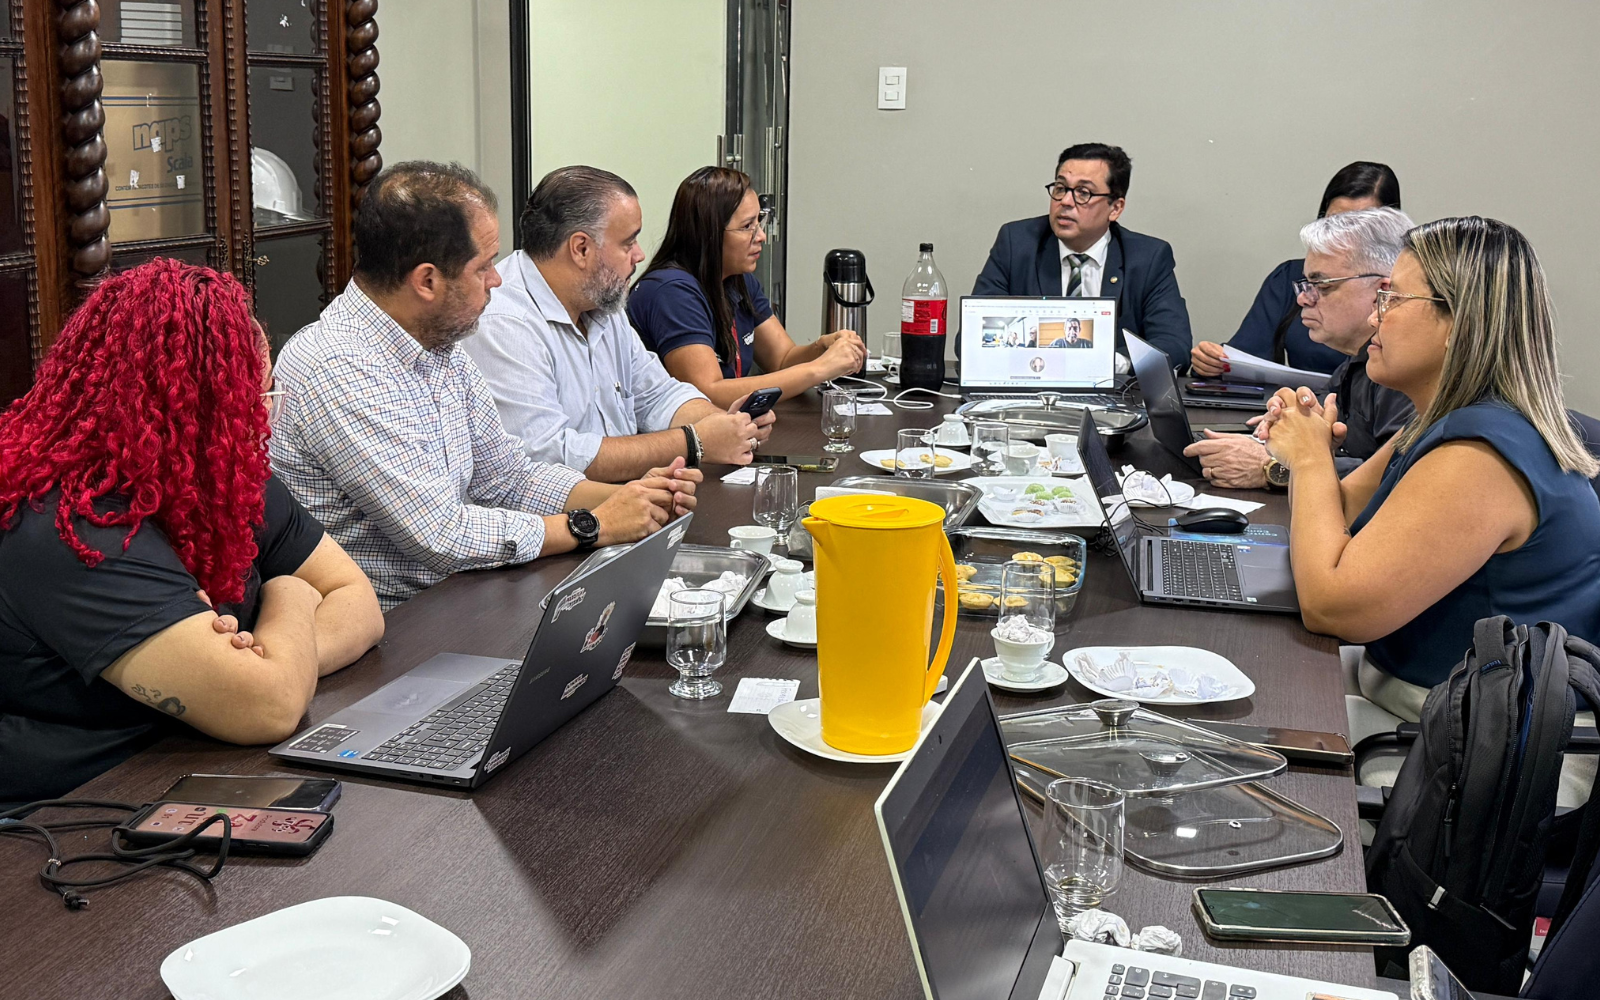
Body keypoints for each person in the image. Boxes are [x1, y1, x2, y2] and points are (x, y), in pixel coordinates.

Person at [0, 260, 385, 806]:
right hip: (64, 817)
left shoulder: (223, 477)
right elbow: (268, 707)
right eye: (253, 401)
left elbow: (357, 599)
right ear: (195, 411)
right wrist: (292, 595)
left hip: (192, 771)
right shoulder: (72, 526)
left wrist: (272, 661)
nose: (263, 420)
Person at [270, 162, 698, 610]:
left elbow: (507, 479)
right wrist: (594, 524)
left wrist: (633, 499)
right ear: (427, 281)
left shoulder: (437, 344)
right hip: (395, 625)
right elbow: (440, 535)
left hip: (462, 596)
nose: (498, 279)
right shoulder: (339, 366)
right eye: (484, 266)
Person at [1260, 217, 1600, 731]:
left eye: (1392, 299)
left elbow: (1333, 609)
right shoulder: (1443, 419)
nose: (1374, 317)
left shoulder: (1480, 455)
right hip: (1421, 701)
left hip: (1470, 743)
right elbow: (1342, 510)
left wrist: (1309, 460)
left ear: (1459, 323)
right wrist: (1309, 446)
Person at [465, 166, 773, 482]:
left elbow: (658, 395)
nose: (639, 255)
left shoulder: (600, 301)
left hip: (628, 497)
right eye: (628, 242)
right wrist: (695, 441)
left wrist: (726, 425)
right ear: (581, 248)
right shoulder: (505, 322)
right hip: (571, 509)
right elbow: (550, 456)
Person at [1184, 208, 1415, 488]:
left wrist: (1275, 467)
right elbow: (1325, 428)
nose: (1304, 299)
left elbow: (1401, 478)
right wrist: (1293, 420)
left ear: (1382, 292)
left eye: (1322, 286)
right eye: (1306, 285)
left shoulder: (1408, 367)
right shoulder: (1360, 357)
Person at [629, 166, 867, 407]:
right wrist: (820, 369)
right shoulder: (671, 291)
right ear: (708, 234)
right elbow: (707, 393)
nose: (761, 236)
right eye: (746, 227)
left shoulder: (736, 279)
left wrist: (821, 348)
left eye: (759, 222)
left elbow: (782, 360)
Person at [972, 142, 1192, 367]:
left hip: (1113, 389)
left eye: (1083, 193)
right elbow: (972, 337)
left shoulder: (1148, 258)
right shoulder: (1017, 244)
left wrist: (1113, 363)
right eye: (1060, 188)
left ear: (1115, 208)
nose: (1065, 202)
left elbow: (1174, 345)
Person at [1191, 162, 1401, 377]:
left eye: (1325, 286)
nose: (1305, 298)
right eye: (1334, 222)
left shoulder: (1406, 298)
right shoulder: (1289, 278)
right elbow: (1246, 356)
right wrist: (1215, 363)